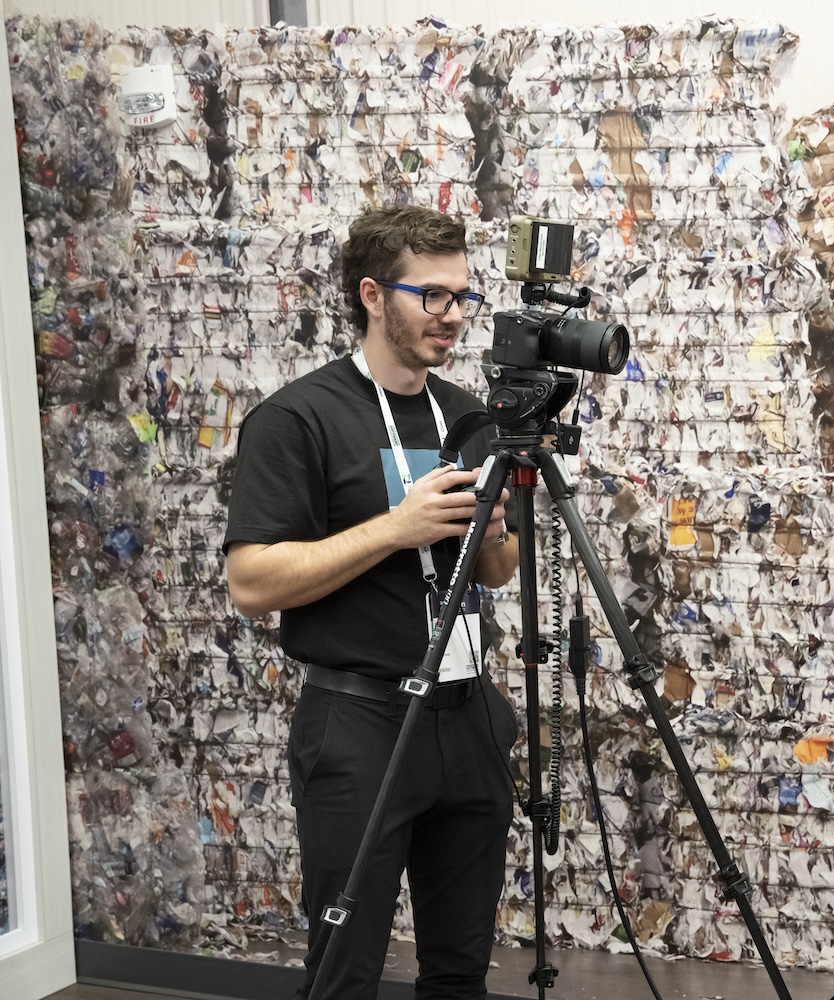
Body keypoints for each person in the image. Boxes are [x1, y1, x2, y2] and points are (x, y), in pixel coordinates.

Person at [224, 205, 521, 1000]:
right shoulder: (298, 418)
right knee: (344, 973)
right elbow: (251, 583)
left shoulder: (468, 414)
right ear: (372, 294)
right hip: (360, 721)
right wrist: (396, 528)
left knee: (460, 973)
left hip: (467, 713)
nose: (452, 315)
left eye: (462, 295)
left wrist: (495, 529)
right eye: (432, 295)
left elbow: (496, 572)